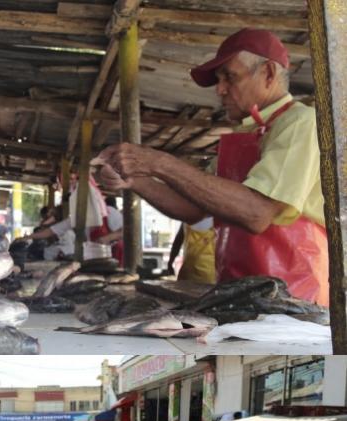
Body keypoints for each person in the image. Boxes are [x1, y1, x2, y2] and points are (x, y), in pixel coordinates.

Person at [95, 28, 328, 305]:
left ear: (267, 73)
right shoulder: (246, 135)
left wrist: (159, 163)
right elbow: (195, 210)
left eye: (230, 77)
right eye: (218, 80)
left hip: (292, 297)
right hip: (236, 288)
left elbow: (258, 213)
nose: (220, 90)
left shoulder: (301, 124)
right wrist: (134, 181)